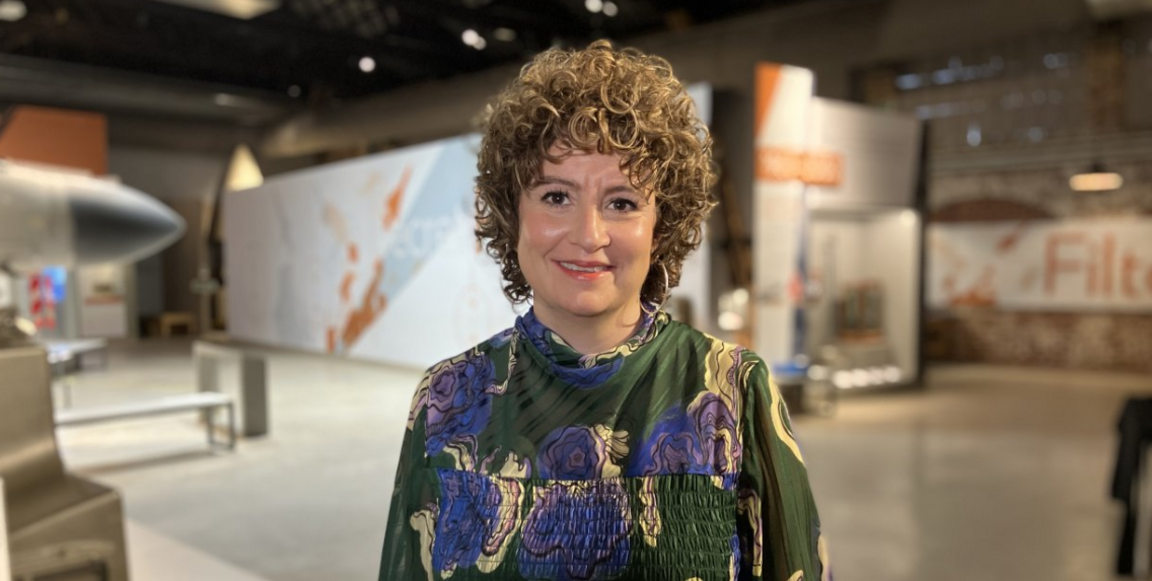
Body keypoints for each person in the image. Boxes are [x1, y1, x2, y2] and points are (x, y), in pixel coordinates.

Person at [379, 39, 829, 581]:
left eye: (621, 202)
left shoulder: (732, 394)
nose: (589, 235)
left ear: (660, 225)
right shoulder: (447, 402)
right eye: (555, 197)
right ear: (509, 212)